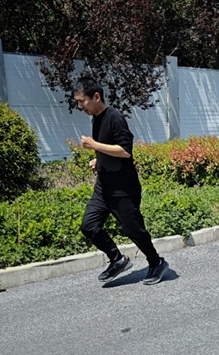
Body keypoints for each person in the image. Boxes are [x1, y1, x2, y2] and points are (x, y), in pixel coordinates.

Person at [73, 77, 168, 285]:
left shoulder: (115, 117)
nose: (80, 106)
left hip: (123, 188)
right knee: (89, 226)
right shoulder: (96, 119)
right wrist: (98, 159)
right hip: (103, 186)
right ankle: (117, 259)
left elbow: (125, 151)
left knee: (134, 230)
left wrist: (94, 145)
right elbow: (109, 146)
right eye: (78, 102)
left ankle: (156, 262)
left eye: (82, 101)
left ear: (96, 96)